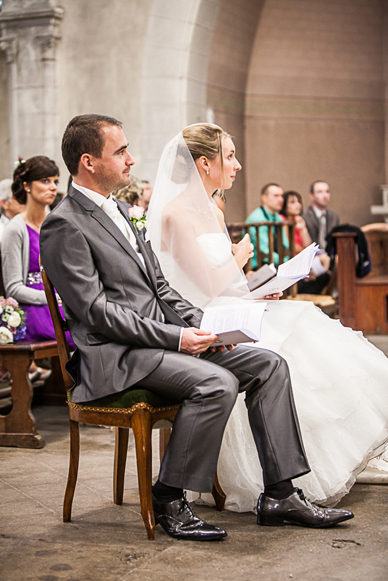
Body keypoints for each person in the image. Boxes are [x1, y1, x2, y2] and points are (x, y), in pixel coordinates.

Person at [42, 115, 353, 541]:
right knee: (216, 384)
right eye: (120, 152)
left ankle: (280, 493)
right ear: (88, 162)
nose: (132, 160)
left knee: (269, 364)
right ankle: (169, 496)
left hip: (159, 344)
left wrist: (206, 326)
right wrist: (177, 338)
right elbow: (96, 313)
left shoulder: (119, 210)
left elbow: (161, 288)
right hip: (115, 357)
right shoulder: (65, 223)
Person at [146, 123, 388, 512]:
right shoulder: (176, 215)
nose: (237, 165)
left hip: (225, 305)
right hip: (199, 320)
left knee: (303, 319)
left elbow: (227, 286)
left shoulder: (211, 208)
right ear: (204, 163)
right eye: (229, 156)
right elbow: (205, 286)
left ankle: (287, 485)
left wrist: (258, 287)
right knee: (292, 340)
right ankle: (282, 486)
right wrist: (238, 259)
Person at [1, 156, 73, 366]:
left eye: (55, 181)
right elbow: (13, 288)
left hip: (59, 302)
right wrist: (53, 298)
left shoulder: (56, 224)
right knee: (79, 333)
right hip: (34, 309)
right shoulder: (15, 229)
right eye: (45, 181)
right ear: (26, 186)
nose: (52, 187)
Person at [245, 182, 289, 268]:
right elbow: (264, 251)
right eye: (276, 196)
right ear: (264, 198)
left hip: (276, 263)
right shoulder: (256, 219)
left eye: (282, 196)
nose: (281, 200)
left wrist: (287, 259)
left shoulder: (278, 218)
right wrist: (285, 262)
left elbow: (285, 245)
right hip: (258, 266)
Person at [302, 180, 339, 250]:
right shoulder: (304, 215)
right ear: (311, 196)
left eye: (327, 192)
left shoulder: (334, 216)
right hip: (312, 254)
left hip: (329, 254)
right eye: (320, 192)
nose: (325, 196)